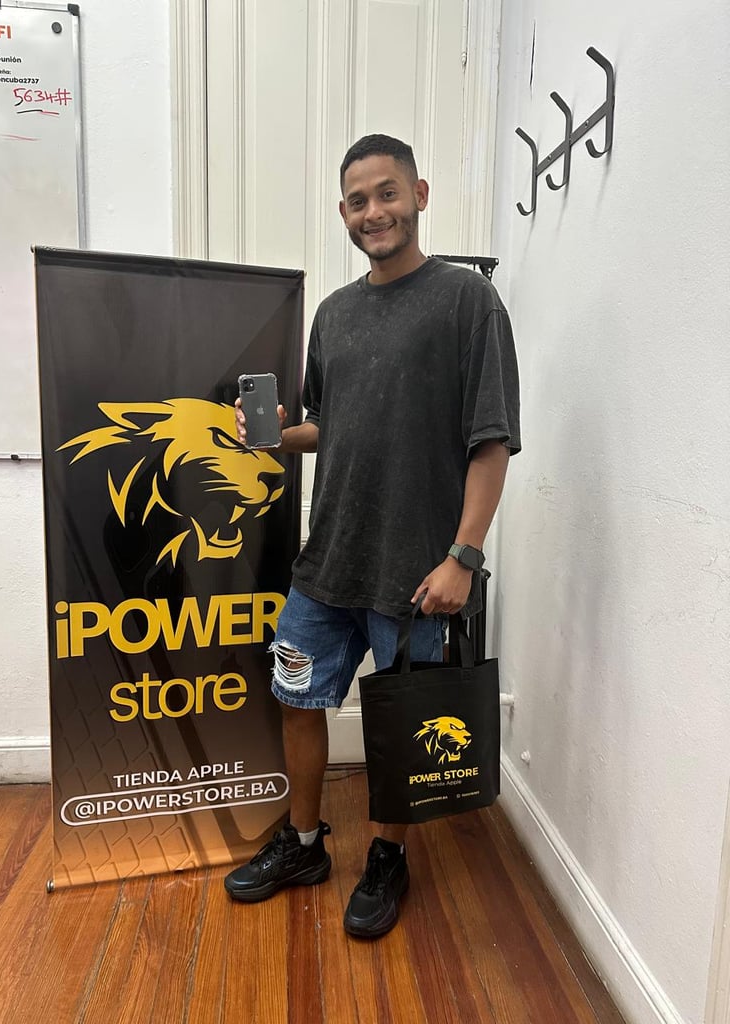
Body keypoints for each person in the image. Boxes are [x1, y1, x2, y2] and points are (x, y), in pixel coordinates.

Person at [225, 133, 520, 938]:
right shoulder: (333, 313)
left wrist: (463, 556)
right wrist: (274, 439)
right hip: (329, 561)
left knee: (400, 721)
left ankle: (388, 855)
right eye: (357, 201)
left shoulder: (467, 301)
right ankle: (304, 844)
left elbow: (491, 440)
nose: (373, 212)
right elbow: (329, 423)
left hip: (419, 571)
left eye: (387, 193)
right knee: (295, 698)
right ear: (343, 212)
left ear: (419, 194)